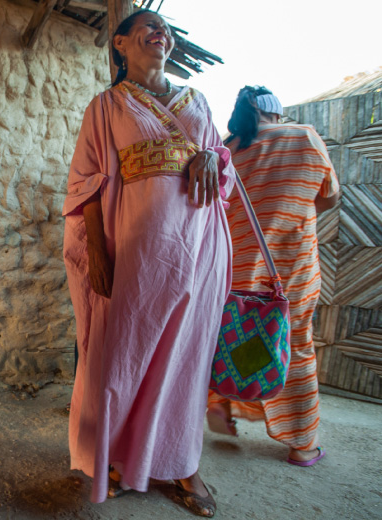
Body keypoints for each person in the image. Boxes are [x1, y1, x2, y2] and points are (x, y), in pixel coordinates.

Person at [63, 10, 235, 517]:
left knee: (186, 359)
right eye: (148, 25)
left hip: (199, 251)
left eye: (167, 28)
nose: (162, 33)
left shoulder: (198, 100)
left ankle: (183, 465)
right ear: (120, 43)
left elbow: (223, 164)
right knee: (121, 357)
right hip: (135, 252)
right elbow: (86, 183)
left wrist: (212, 157)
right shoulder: (106, 105)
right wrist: (97, 252)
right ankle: (114, 459)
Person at [207, 86, 339, 467]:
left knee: (231, 337)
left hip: (232, 267)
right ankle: (302, 442)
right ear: (276, 114)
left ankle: (222, 404)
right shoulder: (304, 137)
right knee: (293, 346)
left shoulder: (224, 152)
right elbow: (328, 197)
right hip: (289, 269)